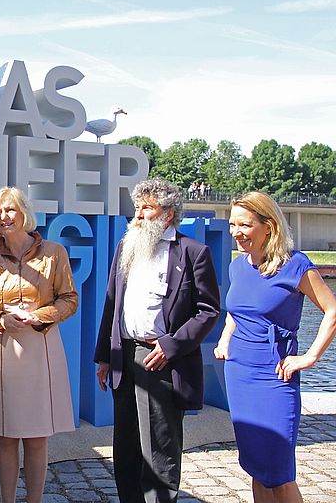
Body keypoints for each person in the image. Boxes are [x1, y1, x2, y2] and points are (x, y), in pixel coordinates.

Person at [94, 178, 220, 503]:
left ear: (167, 214)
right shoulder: (126, 246)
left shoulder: (193, 253)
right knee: (125, 453)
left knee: (160, 455)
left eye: (146, 208)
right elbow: (112, 303)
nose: (137, 214)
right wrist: (104, 357)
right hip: (125, 357)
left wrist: (172, 344)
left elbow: (208, 311)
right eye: (137, 207)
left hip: (160, 361)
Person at [214, 191, 336, 503]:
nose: (236, 232)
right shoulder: (238, 267)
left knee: (280, 474)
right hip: (239, 375)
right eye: (232, 225)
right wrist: (225, 338)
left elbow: (332, 311)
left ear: (268, 226)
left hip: (275, 378)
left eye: (244, 225)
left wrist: (308, 358)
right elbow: (237, 312)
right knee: (256, 468)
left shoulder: (295, 265)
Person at [0, 187, 78, 503]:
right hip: (1, 352)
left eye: (10, 209)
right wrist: (0, 319)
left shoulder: (55, 253)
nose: (4, 217)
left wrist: (38, 315)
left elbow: (69, 300)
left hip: (40, 349)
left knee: (37, 436)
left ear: (24, 212)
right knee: (5, 435)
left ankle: (35, 500)